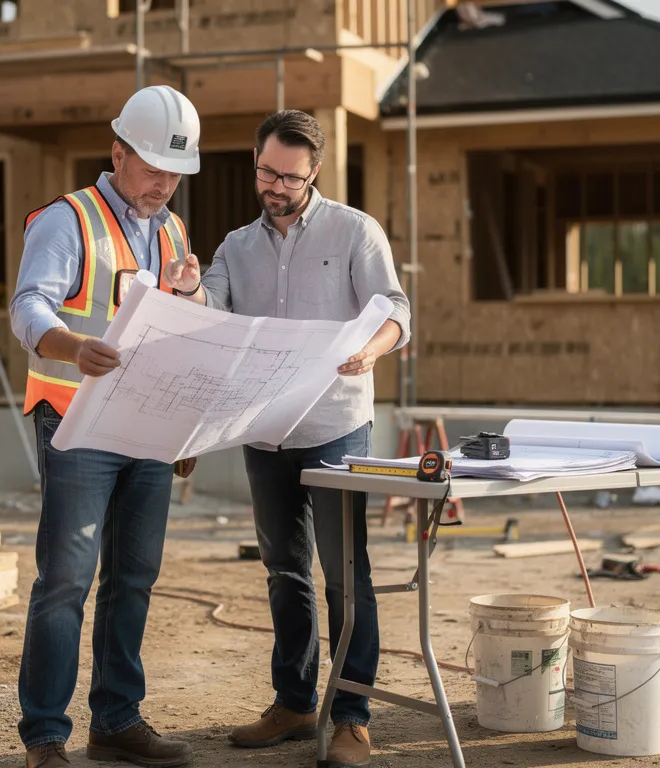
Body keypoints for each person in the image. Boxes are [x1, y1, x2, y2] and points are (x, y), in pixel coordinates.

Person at [165, 109, 410, 768]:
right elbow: (212, 311)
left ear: (315, 172)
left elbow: (396, 310)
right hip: (265, 429)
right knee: (284, 572)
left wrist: (372, 348)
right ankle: (296, 702)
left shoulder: (355, 231)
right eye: (266, 172)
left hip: (336, 428)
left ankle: (352, 718)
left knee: (345, 575)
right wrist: (190, 288)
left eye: (289, 177)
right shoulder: (236, 246)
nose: (275, 187)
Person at [9, 85, 202, 768]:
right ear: (117, 153)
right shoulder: (68, 220)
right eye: (152, 169)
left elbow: (182, 331)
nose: (163, 185)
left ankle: (116, 721)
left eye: (175, 173)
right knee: (66, 579)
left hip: (149, 430)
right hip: (77, 423)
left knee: (134, 577)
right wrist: (70, 346)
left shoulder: (173, 232)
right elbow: (27, 306)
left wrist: (184, 429)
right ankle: (45, 737)